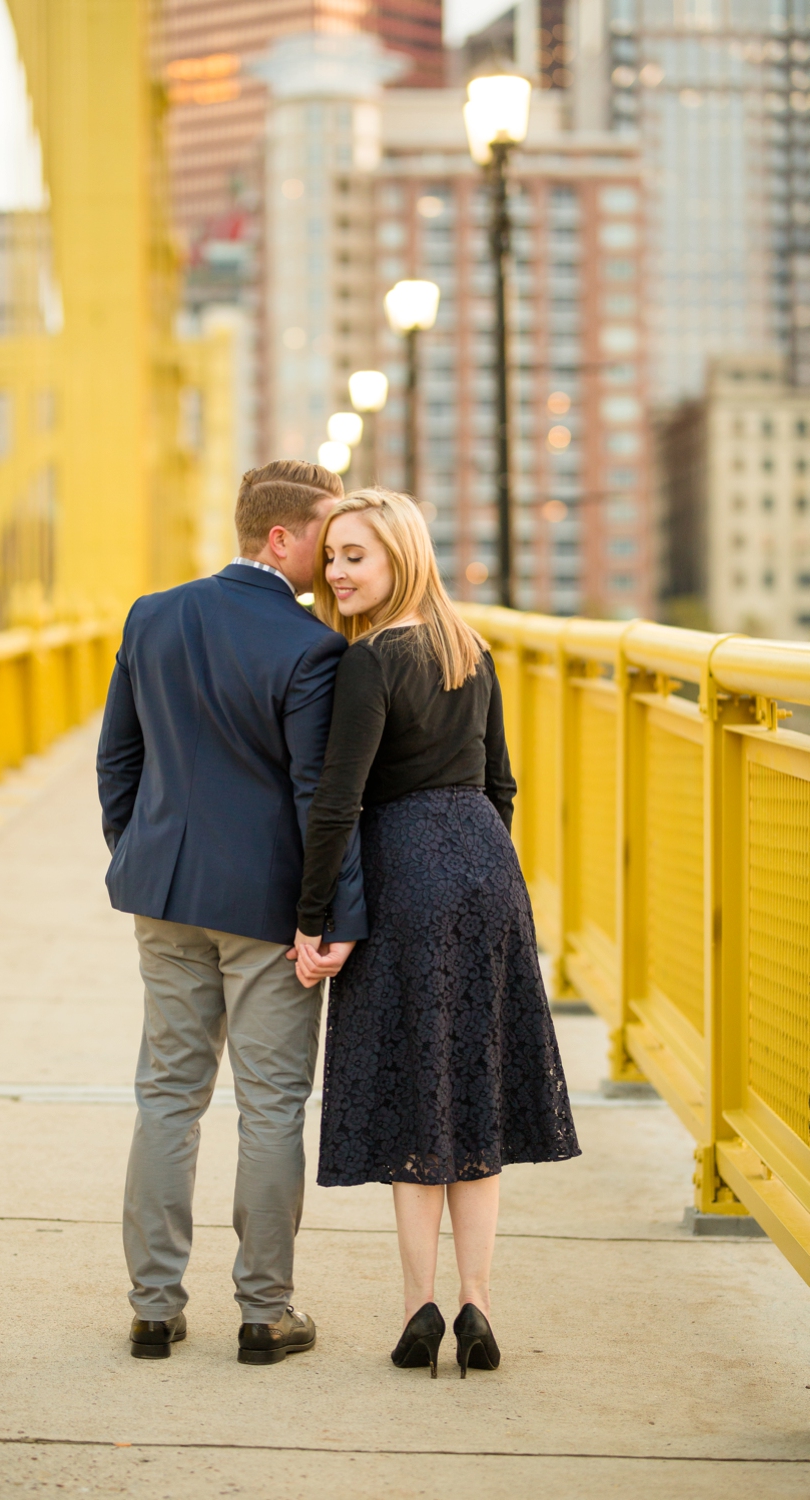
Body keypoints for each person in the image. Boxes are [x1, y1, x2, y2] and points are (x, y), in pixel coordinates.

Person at [291, 488, 580, 1380]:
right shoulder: (471, 647)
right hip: (487, 868)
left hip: (404, 869)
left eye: (355, 557)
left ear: (399, 560)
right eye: (332, 556)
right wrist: (477, 859)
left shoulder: (371, 660)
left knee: (420, 1090)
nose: (336, 573)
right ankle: (477, 1304)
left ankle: (419, 1305)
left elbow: (339, 800)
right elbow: (501, 786)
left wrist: (315, 919)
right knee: (476, 1088)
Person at [96, 459, 367, 1367]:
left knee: (167, 1098)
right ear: (281, 538)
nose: (332, 560)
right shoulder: (313, 650)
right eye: (326, 538)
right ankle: (264, 1312)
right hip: (265, 909)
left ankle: (153, 1309)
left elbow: (118, 761)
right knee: (271, 1106)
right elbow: (314, 798)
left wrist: (140, 853)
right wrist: (328, 914)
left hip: (164, 897)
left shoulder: (153, 614)